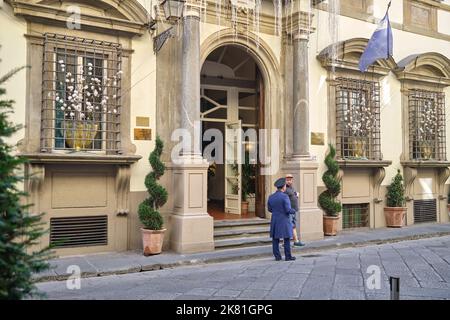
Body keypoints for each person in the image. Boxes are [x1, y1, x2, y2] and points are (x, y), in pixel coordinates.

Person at [268, 178, 296, 261]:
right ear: (283, 187)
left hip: (275, 219)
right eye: (285, 186)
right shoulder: (285, 196)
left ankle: (277, 256)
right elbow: (288, 210)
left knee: (275, 239)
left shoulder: (271, 197)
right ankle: (288, 256)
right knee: (286, 238)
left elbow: (269, 209)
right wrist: (293, 210)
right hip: (284, 219)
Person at [285, 174, 305, 247]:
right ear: (285, 181)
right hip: (289, 211)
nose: (289, 181)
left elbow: (293, 195)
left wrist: (296, 195)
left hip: (294, 210)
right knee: (291, 226)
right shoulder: (285, 189)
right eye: (287, 180)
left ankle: (295, 241)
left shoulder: (291, 188)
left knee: (293, 225)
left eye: (290, 180)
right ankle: (294, 241)